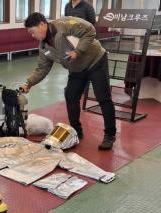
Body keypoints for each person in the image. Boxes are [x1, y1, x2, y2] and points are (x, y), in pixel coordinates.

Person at [20, 13, 116, 150]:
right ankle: (76, 131)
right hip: (77, 69)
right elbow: (42, 68)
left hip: (96, 61)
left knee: (103, 97)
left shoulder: (63, 26)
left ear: (42, 24)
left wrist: (78, 51)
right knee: (71, 96)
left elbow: (90, 30)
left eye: (33, 31)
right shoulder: (44, 47)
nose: (32, 35)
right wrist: (29, 83)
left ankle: (109, 135)